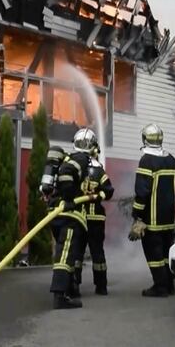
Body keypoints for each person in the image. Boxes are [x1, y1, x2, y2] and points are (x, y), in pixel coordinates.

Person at [43, 129, 98, 309]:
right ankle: (60, 297)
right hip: (69, 215)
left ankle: (70, 289)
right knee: (65, 255)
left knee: (69, 254)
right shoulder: (81, 159)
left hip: (55, 213)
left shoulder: (67, 158)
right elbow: (67, 174)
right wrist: (68, 199)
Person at [128, 123, 175, 297]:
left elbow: (142, 192)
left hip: (152, 219)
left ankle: (160, 287)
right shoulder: (172, 160)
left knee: (154, 253)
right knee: (166, 252)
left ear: (145, 139)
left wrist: (137, 215)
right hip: (169, 218)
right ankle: (170, 284)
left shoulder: (146, 160)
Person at [73, 144, 114, 296]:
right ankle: (101, 286)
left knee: (76, 252)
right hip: (96, 219)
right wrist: (100, 195)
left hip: (78, 217)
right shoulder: (100, 172)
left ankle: (74, 285)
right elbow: (109, 191)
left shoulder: (77, 170)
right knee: (97, 252)